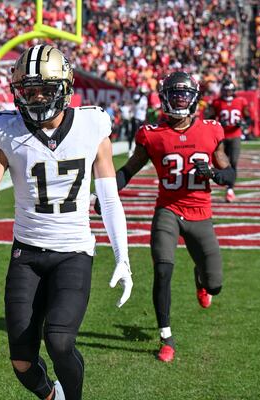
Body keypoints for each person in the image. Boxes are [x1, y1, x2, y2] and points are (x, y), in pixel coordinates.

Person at [0, 44, 133, 400]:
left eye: (46, 89)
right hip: (27, 254)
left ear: (66, 88)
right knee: (22, 361)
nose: (38, 97)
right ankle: (52, 396)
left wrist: (123, 256)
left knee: (60, 342)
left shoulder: (92, 124)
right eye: (29, 90)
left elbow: (108, 197)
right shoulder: (7, 131)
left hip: (73, 253)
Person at [96, 72, 235, 363]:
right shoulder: (151, 134)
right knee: (162, 270)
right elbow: (128, 170)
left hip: (201, 213)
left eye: (184, 95)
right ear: (165, 98)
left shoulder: (211, 130)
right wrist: (106, 193)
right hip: (168, 210)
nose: (179, 100)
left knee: (215, 285)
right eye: (174, 95)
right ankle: (166, 337)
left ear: (194, 99)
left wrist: (214, 174)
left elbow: (229, 172)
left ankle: (200, 279)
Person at [210, 80, 250, 203]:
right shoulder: (217, 102)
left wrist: (242, 124)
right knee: (220, 163)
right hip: (221, 136)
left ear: (233, 91)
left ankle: (230, 189)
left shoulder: (241, 101)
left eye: (229, 90)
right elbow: (210, 119)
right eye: (225, 90)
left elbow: (248, 118)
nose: (227, 93)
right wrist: (218, 124)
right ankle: (224, 181)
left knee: (233, 161)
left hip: (235, 136)